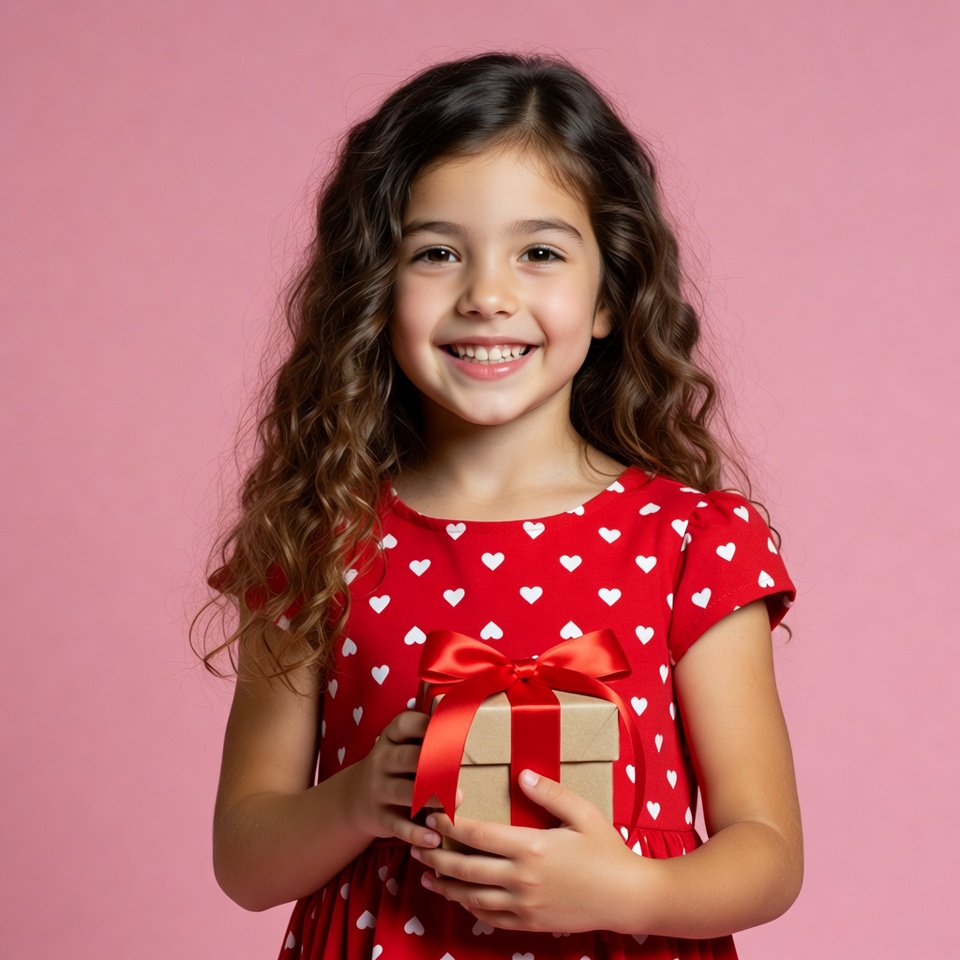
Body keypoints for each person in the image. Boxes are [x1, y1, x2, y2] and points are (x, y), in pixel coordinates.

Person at [201, 51, 803, 959]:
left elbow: (769, 855)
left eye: (540, 253)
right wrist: (359, 797)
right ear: (374, 292)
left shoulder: (691, 542)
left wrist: (630, 890)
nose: (488, 295)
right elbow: (246, 860)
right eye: (437, 253)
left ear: (609, 296)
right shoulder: (316, 536)